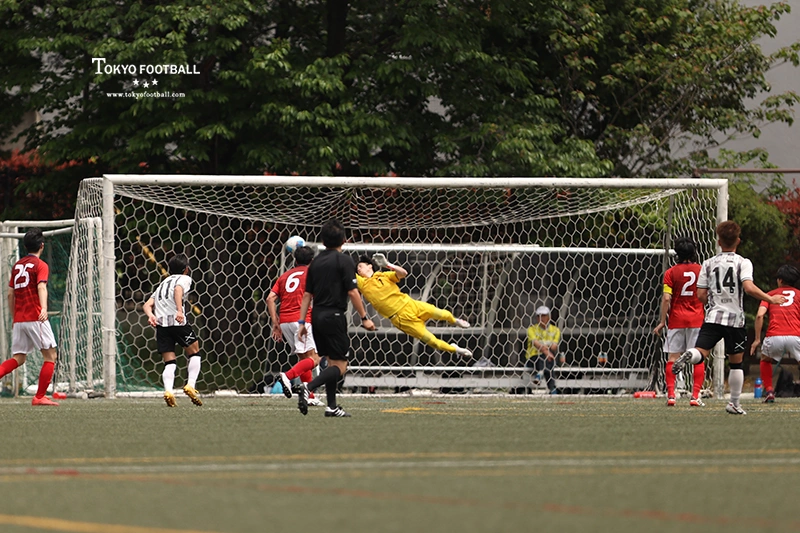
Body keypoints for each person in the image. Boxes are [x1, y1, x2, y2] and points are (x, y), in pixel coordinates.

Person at [672, 221, 785, 415]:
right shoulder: (743, 262)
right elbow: (748, 288)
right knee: (736, 364)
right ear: (738, 241)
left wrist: (712, 300)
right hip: (735, 320)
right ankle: (734, 403)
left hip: (713, 317)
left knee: (701, 352)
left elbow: (700, 295)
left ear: (718, 241)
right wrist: (770, 298)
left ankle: (691, 354)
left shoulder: (708, 263)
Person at [296, 219, 376, 417]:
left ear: (323, 241)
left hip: (316, 316)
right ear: (343, 240)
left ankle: (331, 406)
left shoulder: (315, 263)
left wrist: (302, 323)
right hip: (334, 316)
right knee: (340, 366)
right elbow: (353, 292)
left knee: (330, 362)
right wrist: (364, 317)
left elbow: (307, 295)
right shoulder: (344, 261)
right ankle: (308, 387)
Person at [355, 254, 473, 357]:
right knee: (432, 341)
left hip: (410, 304)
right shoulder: (362, 284)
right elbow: (346, 269)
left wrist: (388, 264)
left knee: (442, 314)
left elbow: (403, 273)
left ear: (370, 266)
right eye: (357, 269)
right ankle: (455, 349)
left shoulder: (384, 275)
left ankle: (454, 320)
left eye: (360, 266)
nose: (358, 269)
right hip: (400, 319)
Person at [0, 229, 60, 406]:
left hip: (19, 319)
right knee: (50, 356)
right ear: (42, 246)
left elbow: (10, 294)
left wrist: (14, 317)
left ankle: (40, 396)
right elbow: (41, 286)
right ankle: (39, 396)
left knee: (19, 358)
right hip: (35, 317)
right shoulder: (41, 265)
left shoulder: (17, 266)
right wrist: (44, 308)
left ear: (25, 246)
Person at [143, 253, 203, 408]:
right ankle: (190, 385)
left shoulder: (162, 284)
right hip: (178, 323)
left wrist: (151, 316)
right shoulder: (184, 279)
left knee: (169, 361)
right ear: (186, 269)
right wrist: (179, 311)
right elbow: (178, 290)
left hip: (162, 326)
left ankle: (169, 391)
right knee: (194, 352)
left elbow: (147, 305)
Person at [653, 236, 705, 407]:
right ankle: (695, 396)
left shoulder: (670, 273)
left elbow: (666, 298)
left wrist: (662, 321)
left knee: (672, 357)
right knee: (699, 357)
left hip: (676, 320)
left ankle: (671, 395)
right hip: (697, 319)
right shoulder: (701, 270)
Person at [268, 245, 323, 407]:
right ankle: (287, 376)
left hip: (285, 322)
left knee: (304, 359)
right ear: (312, 260)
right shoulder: (312, 274)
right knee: (315, 358)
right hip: (301, 321)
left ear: (295, 260)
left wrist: (275, 323)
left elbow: (270, 299)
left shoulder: (284, 276)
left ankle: (309, 395)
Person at [751, 264, 800, 404]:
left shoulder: (770, 295)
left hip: (774, 336)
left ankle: (769, 391)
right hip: (796, 335)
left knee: (765, 359)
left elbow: (760, 315)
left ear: (780, 280)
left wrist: (757, 339)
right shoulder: (799, 294)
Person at [520, 306, 561, 395]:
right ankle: (552, 389)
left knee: (547, 361)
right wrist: (546, 351)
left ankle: (540, 373)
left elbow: (554, 347)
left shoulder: (555, 330)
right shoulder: (532, 329)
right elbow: (536, 344)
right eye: (539, 316)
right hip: (533, 359)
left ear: (549, 317)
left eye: (544, 316)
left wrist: (545, 350)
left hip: (548, 359)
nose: (541, 318)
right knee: (547, 360)